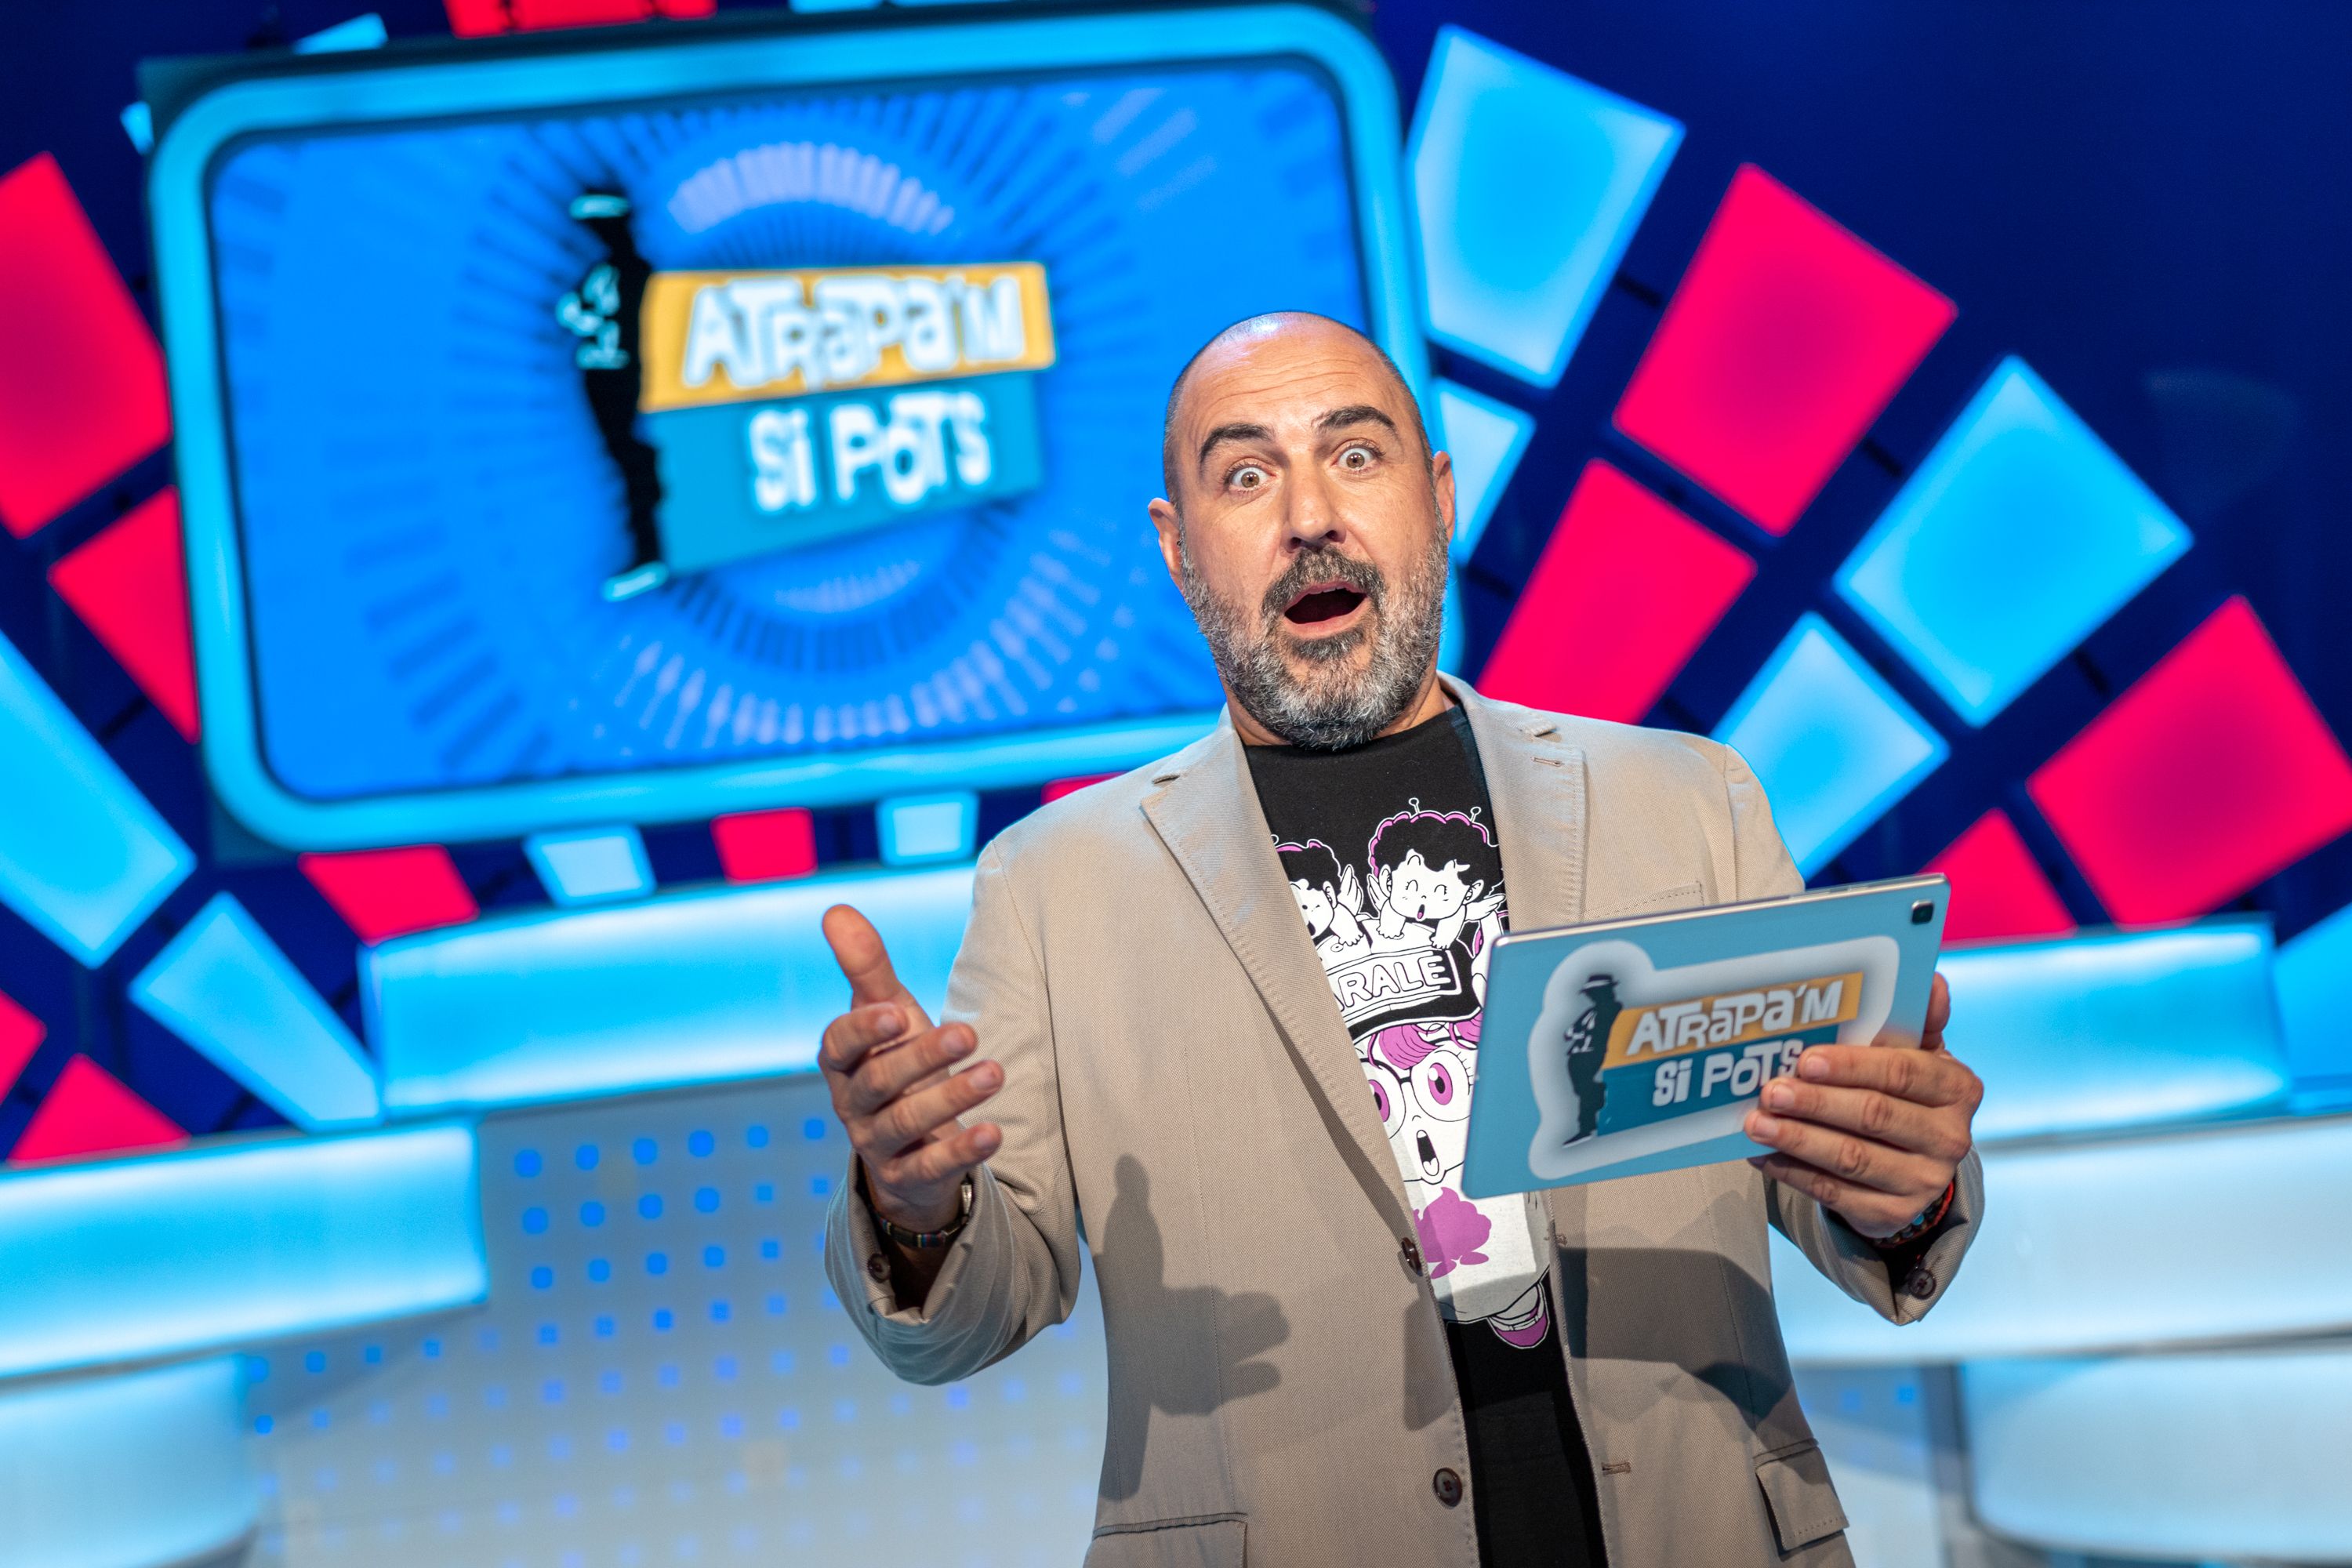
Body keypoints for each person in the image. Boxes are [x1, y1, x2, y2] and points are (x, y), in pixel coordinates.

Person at [817, 312, 1984, 1567]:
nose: (1309, 516)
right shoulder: (1055, 885)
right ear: (1176, 545)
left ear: (1438, 498)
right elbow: (967, 1316)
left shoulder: (1689, 800)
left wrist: (1902, 1184)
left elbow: (1832, 1182)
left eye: (1356, 456)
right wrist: (915, 1204)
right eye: (1246, 475)